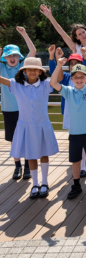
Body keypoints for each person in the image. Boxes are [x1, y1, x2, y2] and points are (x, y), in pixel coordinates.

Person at [50, 54, 86, 200]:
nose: (79, 79)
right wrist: (58, 65)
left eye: (82, 76)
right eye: (76, 77)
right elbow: (53, 83)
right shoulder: (68, 91)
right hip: (75, 134)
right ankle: (76, 185)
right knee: (75, 161)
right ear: (72, 78)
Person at [0, 57, 58, 199]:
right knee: (30, 155)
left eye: (35, 69)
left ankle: (44, 183)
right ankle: (35, 184)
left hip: (42, 124)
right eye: (29, 69)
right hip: (25, 125)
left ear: (40, 71)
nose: (32, 71)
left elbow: (58, 79)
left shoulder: (46, 84)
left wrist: (59, 64)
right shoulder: (16, 85)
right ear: (24, 71)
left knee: (44, 154)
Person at [48, 46, 86, 177]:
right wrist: (54, 58)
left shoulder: (85, 78)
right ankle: (78, 162)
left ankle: (82, 165)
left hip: (83, 114)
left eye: (77, 63)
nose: (74, 65)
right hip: (69, 113)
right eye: (71, 63)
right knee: (74, 139)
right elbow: (55, 75)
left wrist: (85, 56)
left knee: (83, 139)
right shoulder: (67, 78)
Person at [0, 27, 36, 180]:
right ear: (4, 58)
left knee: (26, 138)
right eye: (9, 56)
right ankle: (17, 167)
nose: (12, 58)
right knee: (14, 140)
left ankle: (28, 166)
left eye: (15, 55)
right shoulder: (1, 67)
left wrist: (24, 33)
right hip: (9, 110)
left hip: (25, 110)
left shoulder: (23, 68)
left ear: (19, 56)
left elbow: (33, 51)